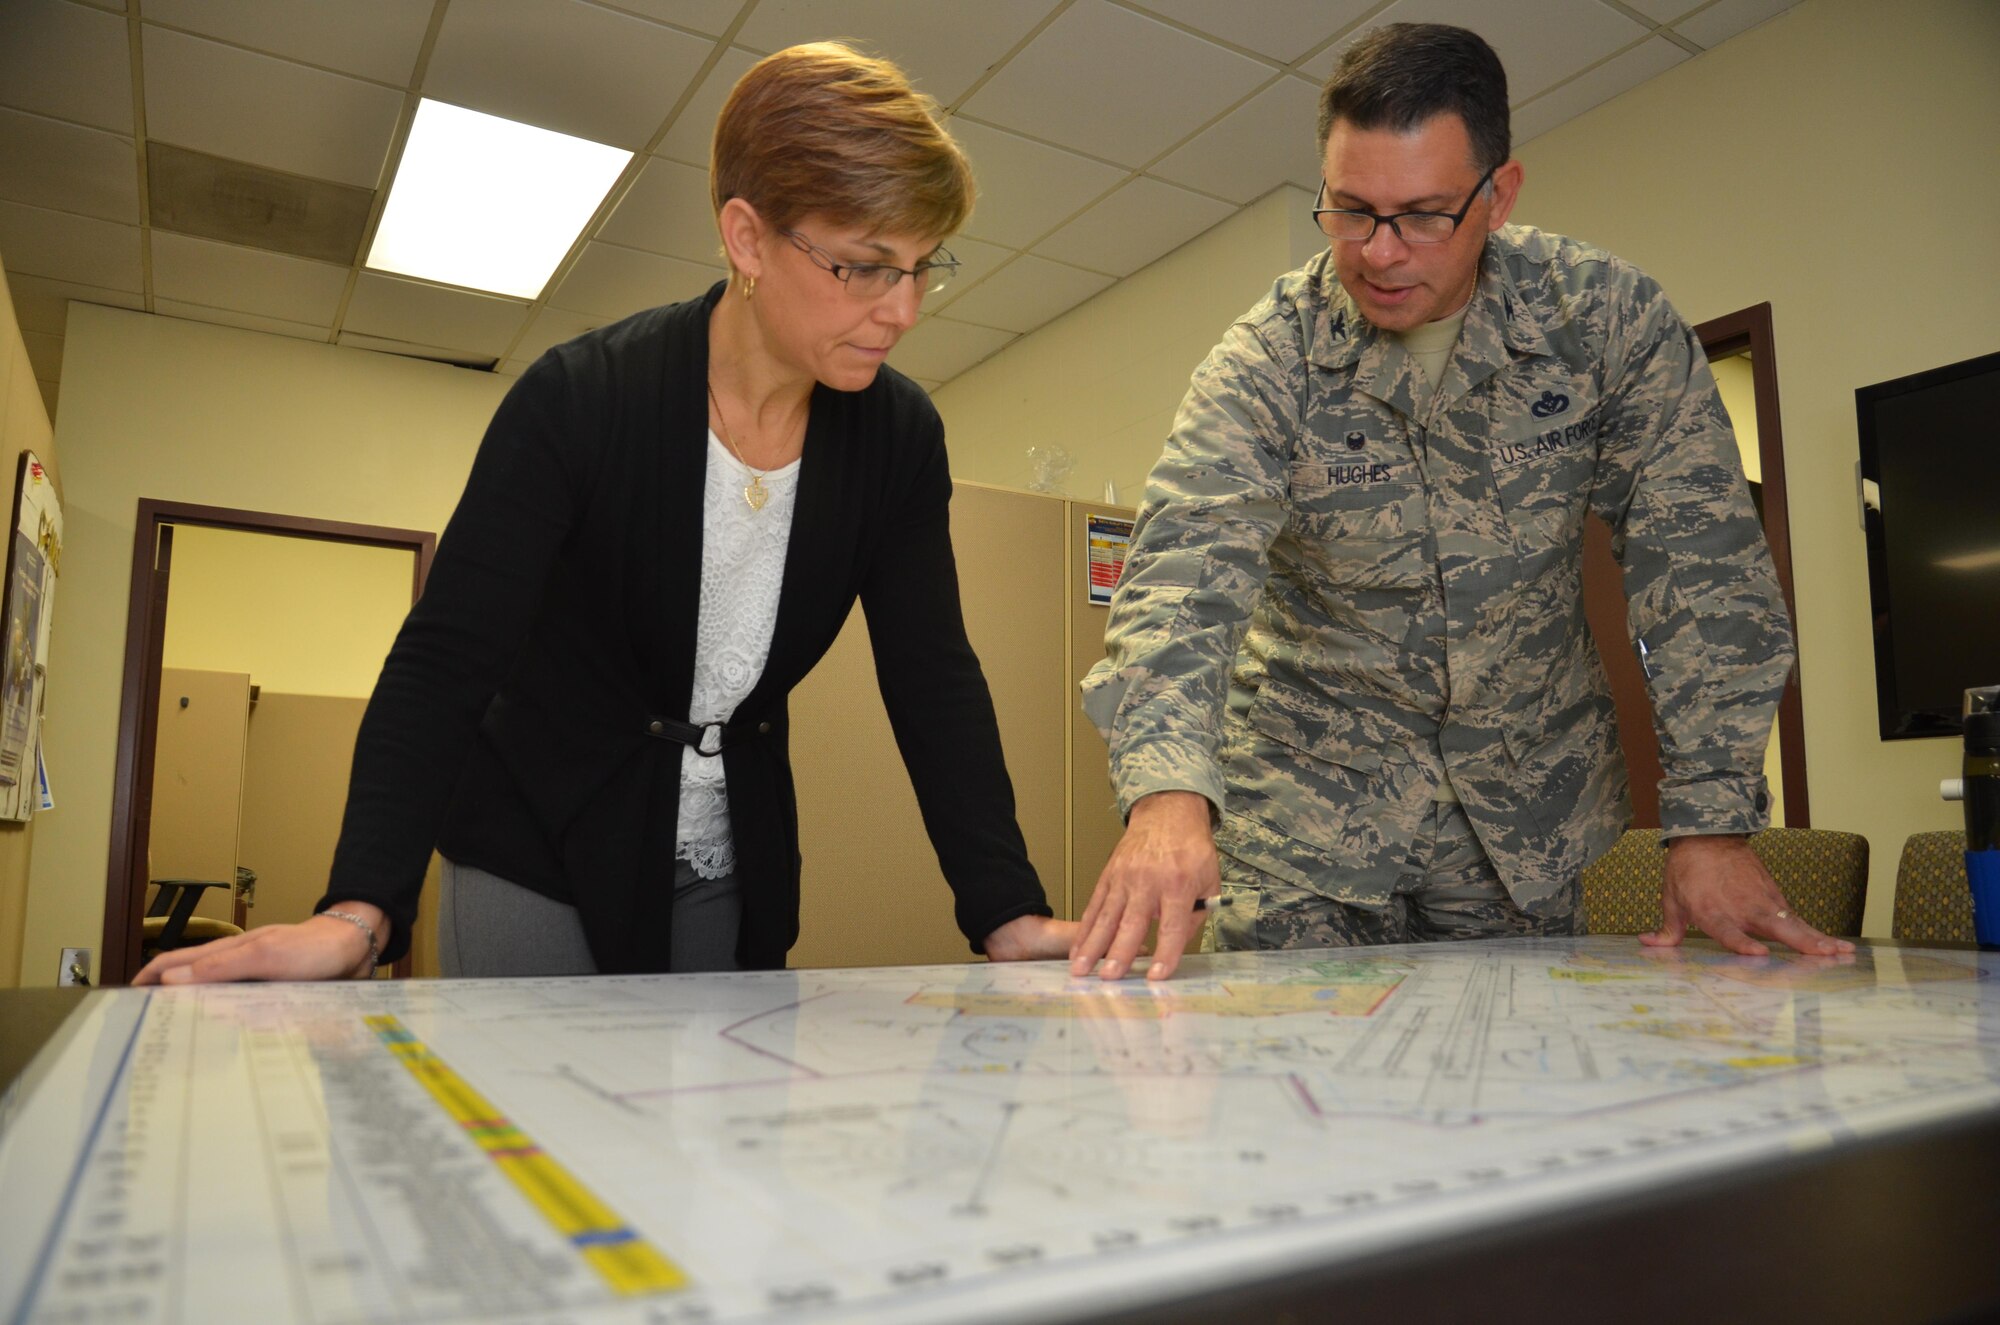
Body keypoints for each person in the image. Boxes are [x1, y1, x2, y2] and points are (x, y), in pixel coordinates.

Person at [137, 42, 1074, 986]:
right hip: (534, 844)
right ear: (748, 239)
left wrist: (1005, 908)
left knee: (707, 1130)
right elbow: (447, 659)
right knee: (527, 1127)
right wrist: (358, 910)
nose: (903, 309)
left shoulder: (898, 437)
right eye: (867, 267)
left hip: (725, 859)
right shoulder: (580, 400)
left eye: (922, 267)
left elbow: (933, 676)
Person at [1071, 22, 1852, 982]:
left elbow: (1699, 559)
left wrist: (1712, 819)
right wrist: (1166, 793)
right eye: (1350, 209)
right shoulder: (1267, 360)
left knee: (1514, 1103)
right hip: (1307, 828)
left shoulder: (1603, 324)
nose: (1380, 252)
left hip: (1526, 822)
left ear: (1499, 194)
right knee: (1294, 1110)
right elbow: (1184, 579)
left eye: (1424, 214)